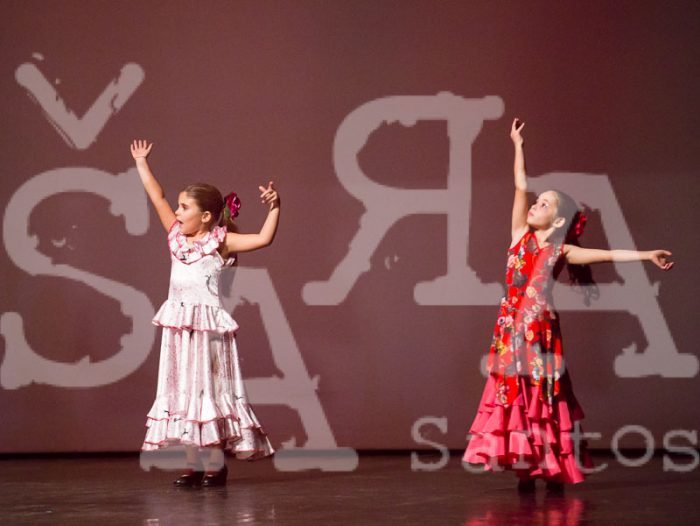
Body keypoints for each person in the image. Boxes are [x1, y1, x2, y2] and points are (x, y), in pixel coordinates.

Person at [462, 119, 673, 492]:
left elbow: (608, 254)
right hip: (510, 332)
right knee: (515, 397)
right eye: (538, 201)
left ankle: (552, 467)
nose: (536, 204)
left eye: (545, 204)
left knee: (545, 397)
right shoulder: (518, 236)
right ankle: (525, 467)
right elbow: (521, 185)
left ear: (558, 219)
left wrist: (647, 255)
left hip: (541, 334)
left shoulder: (561, 250)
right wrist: (517, 145)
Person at [131, 139, 279, 487]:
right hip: (179, 331)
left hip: (207, 332)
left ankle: (215, 465)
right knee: (183, 391)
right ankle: (192, 464)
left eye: (185, 207)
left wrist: (275, 207)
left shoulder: (220, 242)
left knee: (206, 393)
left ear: (206, 216)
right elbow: (157, 196)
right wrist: (141, 163)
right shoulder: (176, 237)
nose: (177, 212)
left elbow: (263, 239)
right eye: (179, 206)